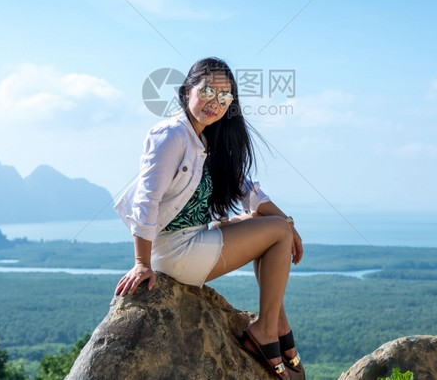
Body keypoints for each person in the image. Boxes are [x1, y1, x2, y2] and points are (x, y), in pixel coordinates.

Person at [114, 57, 304, 379]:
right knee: (277, 232)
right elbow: (147, 199)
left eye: (224, 97)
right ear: (187, 90)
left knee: (271, 224)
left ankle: (275, 324)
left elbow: (248, 190)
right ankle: (266, 331)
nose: (215, 103)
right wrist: (141, 263)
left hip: (191, 238)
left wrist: (288, 221)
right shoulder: (172, 134)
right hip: (175, 252)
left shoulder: (207, 137)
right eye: (207, 92)